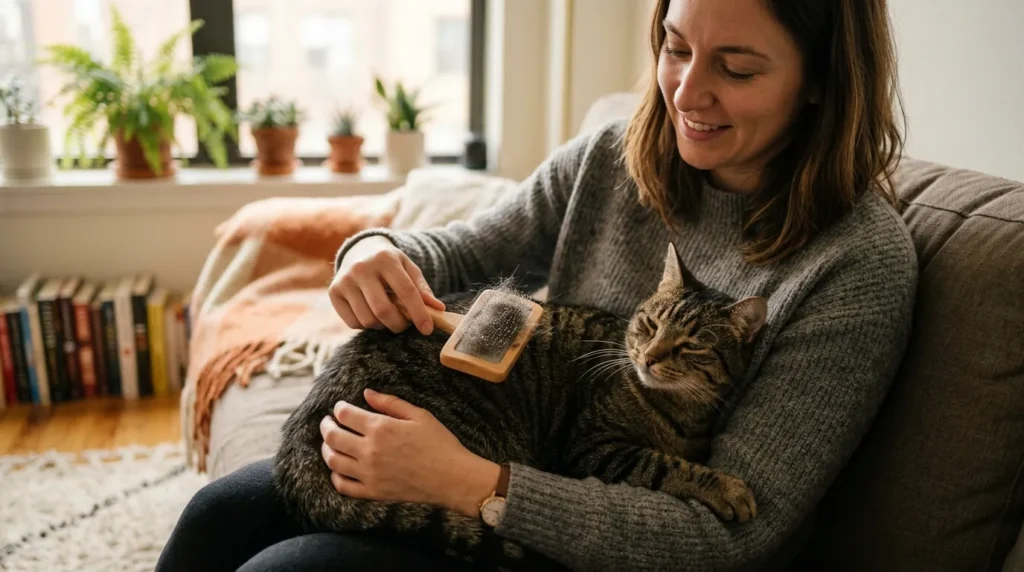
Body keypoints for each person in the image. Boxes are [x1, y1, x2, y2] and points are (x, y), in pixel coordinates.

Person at [157, 0, 918, 569]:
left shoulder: (855, 264)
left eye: (737, 68)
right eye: (675, 47)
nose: (687, 92)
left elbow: (728, 534)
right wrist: (371, 251)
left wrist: (477, 485)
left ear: (820, 80)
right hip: (508, 455)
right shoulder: (614, 158)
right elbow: (458, 251)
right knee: (218, 516)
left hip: (600, 540)